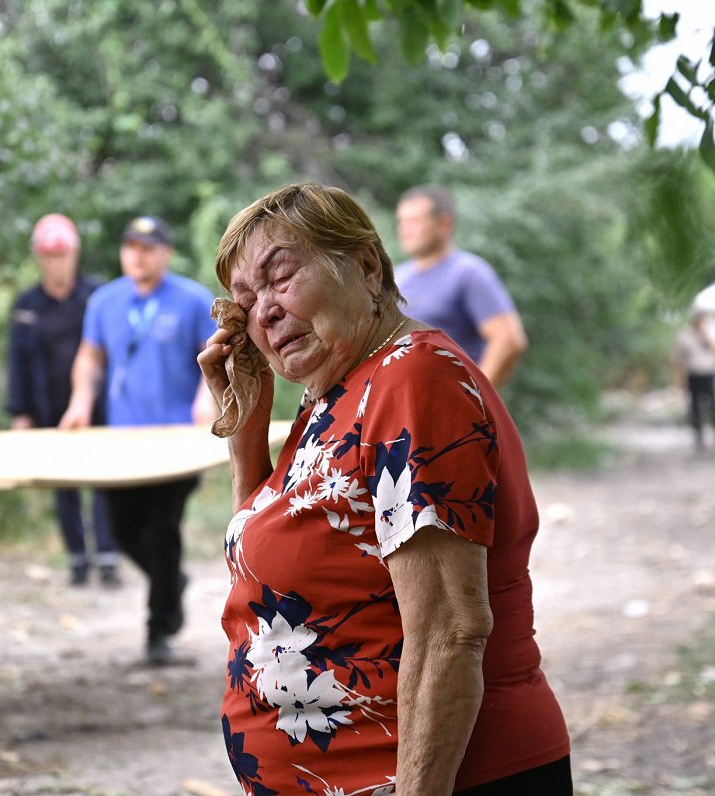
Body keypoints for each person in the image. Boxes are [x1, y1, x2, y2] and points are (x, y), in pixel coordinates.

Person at [199, 183, 571, 795]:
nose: (263, 311)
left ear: (367, 265)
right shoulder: (339, 392)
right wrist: (246, 424)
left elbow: (450, 630)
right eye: (245, 301)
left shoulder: (412, 380)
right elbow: (267, 582)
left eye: (281, 277)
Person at [59, 215, 218, 665]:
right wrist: (79, 401)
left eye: (148, 248)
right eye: (131, 247)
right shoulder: (105, 301)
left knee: (163, 528)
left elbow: (214, 357)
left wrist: (206, 397)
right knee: (122, 529)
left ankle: (159, 632)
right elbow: (90, 357)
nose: (138, 255)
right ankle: (170, 582)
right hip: (122, 441)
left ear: (165, 253)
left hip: (176, 440)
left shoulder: (190, 300)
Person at [6, 213, 121, 587]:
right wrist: (20, 413)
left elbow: (114, 351)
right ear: (39, 258)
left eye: (62, 254)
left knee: (106, 481)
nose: (57, 262)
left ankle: (107, 558)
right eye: (49, 255)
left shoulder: (96, 296)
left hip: (99, 407)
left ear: (74, 254)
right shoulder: (27, 305)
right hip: (48, 407)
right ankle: (77, 559)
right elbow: (17, 363)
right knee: (64, 487)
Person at [394, 185, 527, 388]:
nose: (405, 230)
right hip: (404, 407)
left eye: (415, 221)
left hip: (448, 409)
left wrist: (476, 398)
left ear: (444, 224)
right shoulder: (398, 277)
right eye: (402, 221)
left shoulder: (468, 273)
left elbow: (508, 340)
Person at [673, 309, 715, 452]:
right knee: (695, 406)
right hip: (693, 374)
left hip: (709, 373)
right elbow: (678, 359)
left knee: (713, 404)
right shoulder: (684, 335)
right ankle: (698, 436)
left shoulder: (712, 332)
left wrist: (704, 336)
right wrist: (679, 379)